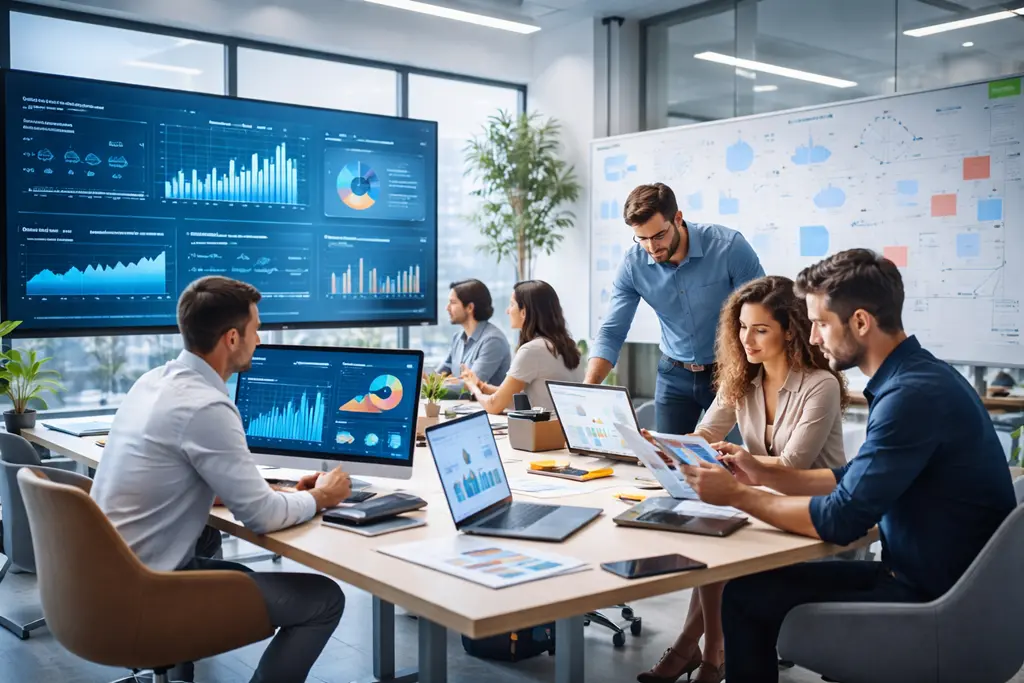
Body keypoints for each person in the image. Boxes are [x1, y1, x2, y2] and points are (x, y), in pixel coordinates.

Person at [676, 249, 1016, 683]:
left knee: (744, 598)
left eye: (819, 323)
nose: (813, 337)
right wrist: (764, 474)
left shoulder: (909, 396)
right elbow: (854, 476)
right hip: (942, 581)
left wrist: (737, 495)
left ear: (859, 322)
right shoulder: (920, 376)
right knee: (746, 591)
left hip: (935, 599)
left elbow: (840, 519)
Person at [91, 276, 353, 683]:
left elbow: (176, 476)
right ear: (232, 338)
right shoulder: (206, 405)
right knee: (324, 599)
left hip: (104, 578)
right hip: (147, 593)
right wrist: (321, 497)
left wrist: (273, 492)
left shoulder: (154, 382)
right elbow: (262, 519)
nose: (260, 340)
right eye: (256, 330)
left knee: (211, 545)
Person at [638, 275, 849, 683]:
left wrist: (741, 458)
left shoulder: (819, 386)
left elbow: (792, 464)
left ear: (791, 331)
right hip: (759, 502)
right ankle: (706, 653)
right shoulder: (743, 378)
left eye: (760, 329)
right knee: (710, 537)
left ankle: (698, 651)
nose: (747, 339)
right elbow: (705, 433)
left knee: (720, 547)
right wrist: (662, 443)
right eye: (741, 327)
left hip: (808, 509)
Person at [587, 182, 765, 435]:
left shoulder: (728, 248)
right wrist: (588, 388)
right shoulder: (632, 265)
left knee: (728, 464)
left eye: (659, 235)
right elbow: (612, 332)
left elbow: (762, 313)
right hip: (674, 375)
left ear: (678, 218)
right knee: (668, 463)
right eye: (643, 239)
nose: (652, 247)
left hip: (729, 371)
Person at [462, 280, 583, 413]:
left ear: (523, 312)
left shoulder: (532, 350)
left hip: (547, 431)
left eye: (512, 305)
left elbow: (493, 405)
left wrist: (473, 388)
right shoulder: (568, 346)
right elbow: (513, 397)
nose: (507, 311)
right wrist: (481, 386)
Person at [435, 279, 512, 393]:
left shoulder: (493, 341)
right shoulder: (458, 338)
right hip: (459, 407)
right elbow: (439, 375)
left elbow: (469, 387)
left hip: (484, 409)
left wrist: (430, 387)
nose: (447, 308)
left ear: (470, 307)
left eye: (453, 302)